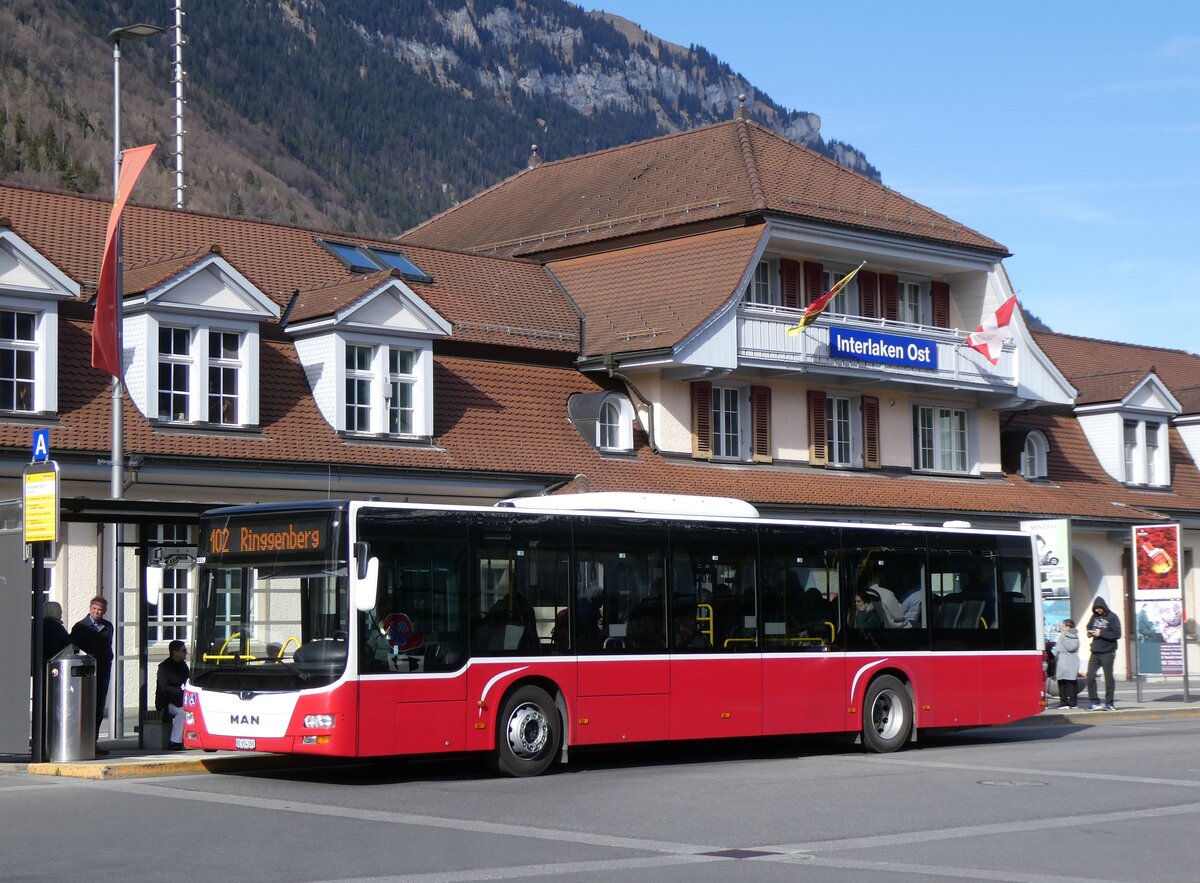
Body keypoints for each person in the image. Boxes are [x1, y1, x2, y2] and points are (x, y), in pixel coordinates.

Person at [70, 596, 114, 754]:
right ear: (90, 608)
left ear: (105, 611)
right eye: (95, 609)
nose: (97, 612)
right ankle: (81, 741)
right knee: (85, 706)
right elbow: (73, 650)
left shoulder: (108, 626)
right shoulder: (80, 627)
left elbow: (107, 647)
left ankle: (93, 741)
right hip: (86, 673)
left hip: (103, 671)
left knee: (99, 707)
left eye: (101, 610)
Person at [1085, 597, 1122, 710]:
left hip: (1108, 652)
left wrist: (1101, 633)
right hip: (1095, 651)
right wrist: (1089, 632)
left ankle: (1109, 703)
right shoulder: (1094, 617)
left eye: (1099, 608)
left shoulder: (1112, 617)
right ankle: (1094, 701)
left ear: (1103, 607)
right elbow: (1089, 626)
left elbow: (1117, 634)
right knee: (1090, 676)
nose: (1097, 610)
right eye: (1095, 609)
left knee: (1108, 677)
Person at [154, 640, 190, 750]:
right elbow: (164, 688)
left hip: (180, 700)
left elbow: (188, 682)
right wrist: (180, 690)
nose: (186, 653)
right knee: (181, 712)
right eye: (183, 650)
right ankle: (175, 742)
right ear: (175, 652)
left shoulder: (183, 667)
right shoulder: (164, 667)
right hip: (166, 701)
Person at [1052, 618, 1081, 709]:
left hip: (1062, 660)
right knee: (1072, 682)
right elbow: (1073, 648)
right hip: (1073, 660)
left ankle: (1064, 702)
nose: (1062, 627)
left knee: (1062, 682)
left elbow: (1057, 649)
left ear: (1067, 626)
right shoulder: (1076, 636)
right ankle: (1073, 703)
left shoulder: (1063, 636)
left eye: (1063, 625)